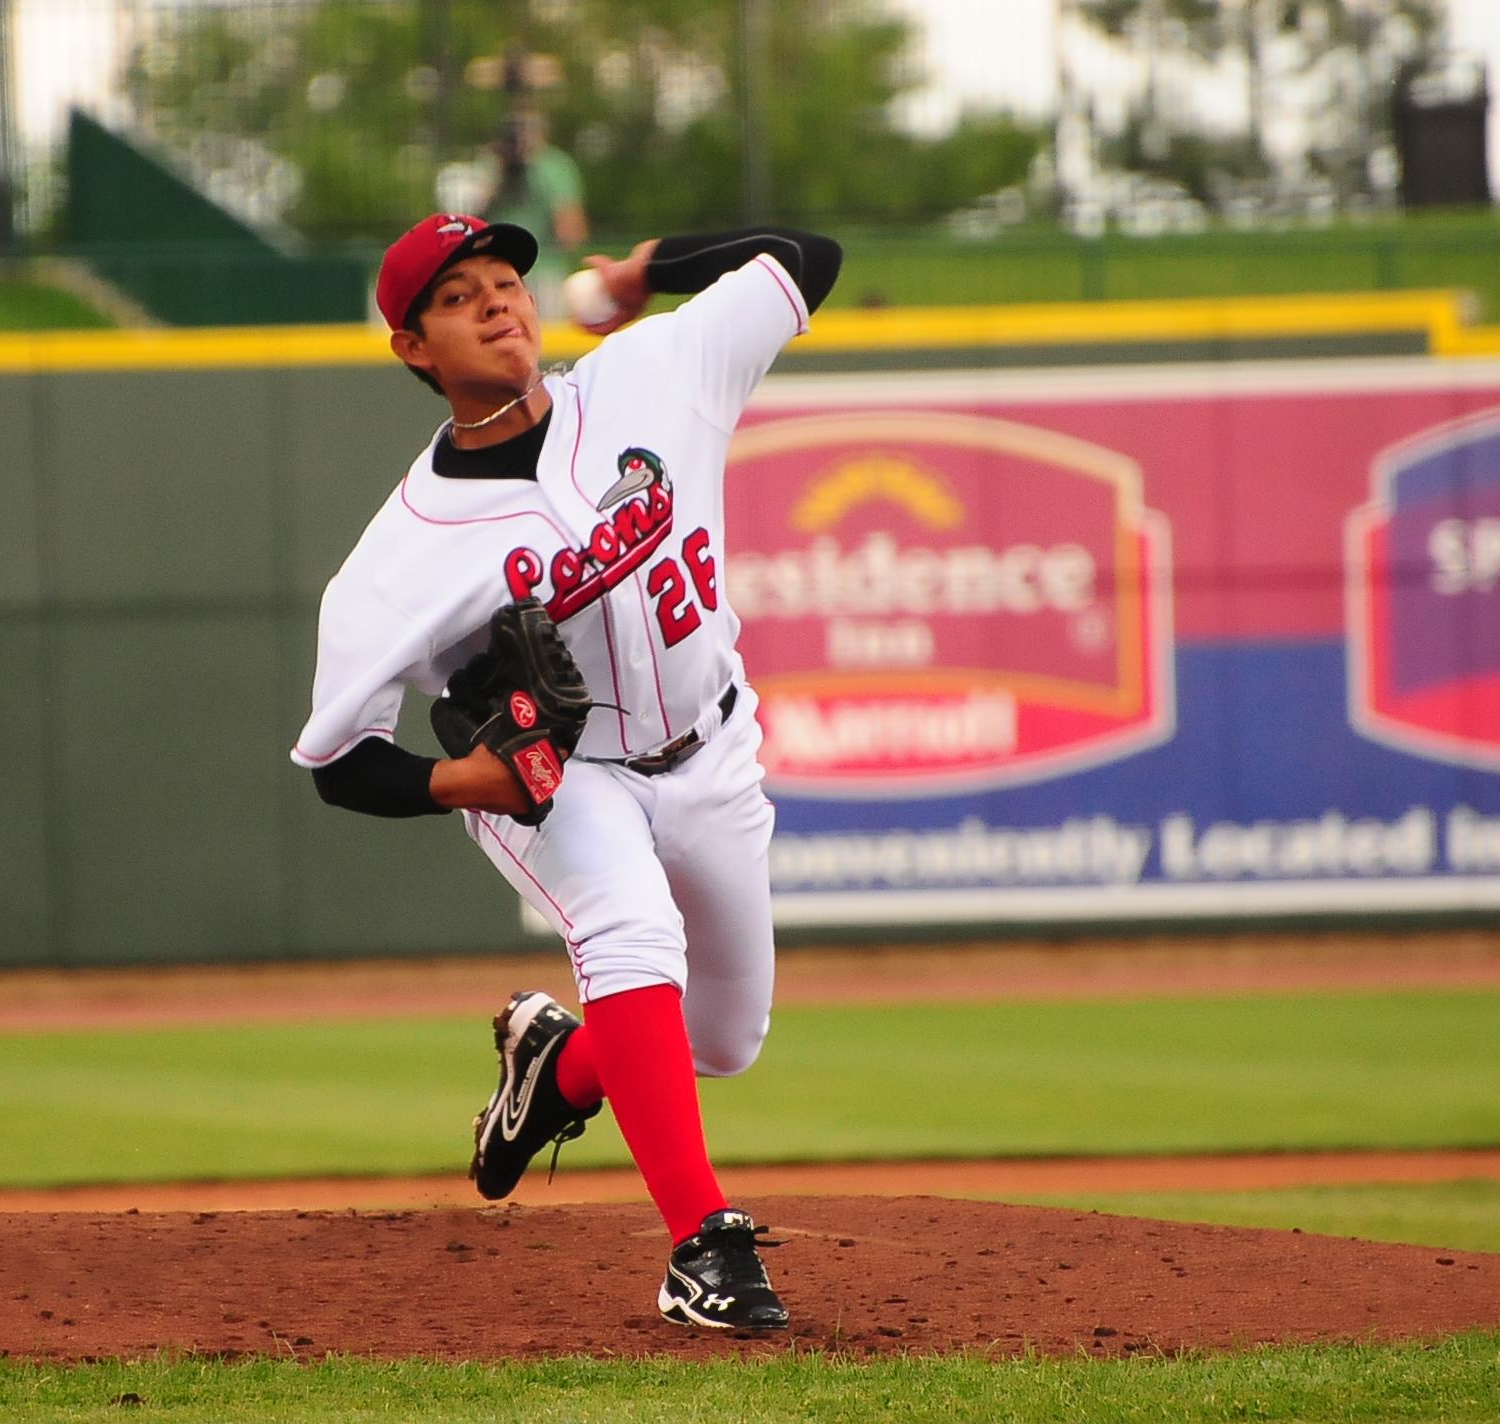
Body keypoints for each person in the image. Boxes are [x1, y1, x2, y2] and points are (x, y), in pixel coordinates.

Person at [290, 212, 842, 1330]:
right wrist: (461, 784)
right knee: (631, 935)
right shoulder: (399, 557)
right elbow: (335, 761)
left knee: (722, 1038)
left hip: (713, 747)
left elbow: (802, 258)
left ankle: (560, 1061)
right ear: (412, 346)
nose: (497, 300)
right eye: (459, 295)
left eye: (505, 279)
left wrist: (644, 273)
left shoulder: (650, 375)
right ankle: (701, 1247)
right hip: (563, 779)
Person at [480, 107, 587, 319]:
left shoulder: (489, 164)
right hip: (542, 271)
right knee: (544, 343)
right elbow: (571, 234)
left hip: (495, 273)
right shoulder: (555, 166)